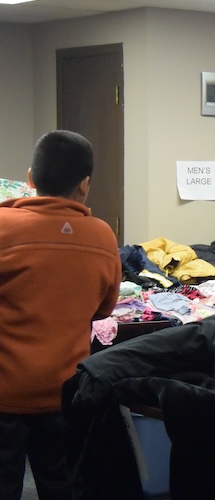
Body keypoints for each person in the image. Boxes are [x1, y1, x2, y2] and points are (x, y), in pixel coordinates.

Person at [0, 130, 122, 499]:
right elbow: (104, 309)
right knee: (61, 487)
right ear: (84, 186)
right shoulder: (103, 236)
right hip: (65, 393)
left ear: (30, 179)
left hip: (4, 393)